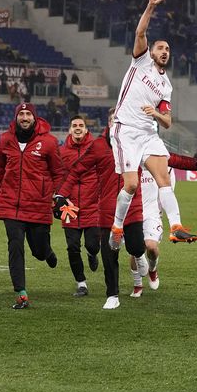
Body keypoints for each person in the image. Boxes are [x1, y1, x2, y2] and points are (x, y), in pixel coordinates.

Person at [108, 0, 196, 252]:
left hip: (148, 132)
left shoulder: (165, 86)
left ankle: (176, 227)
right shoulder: (141, 60)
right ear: (152, 51)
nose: (164, 51)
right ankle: (116, 226)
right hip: (125, 129)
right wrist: (149, 6)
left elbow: (167, 121)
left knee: (163, 180)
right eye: (161, 47)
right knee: (132, 185)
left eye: (168, 49)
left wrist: (156, 114)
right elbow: (140, 33)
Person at [56, 108, 145, 310]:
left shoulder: (137, 142)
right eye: (113, 120)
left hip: (131, 208)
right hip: (106, 209)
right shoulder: (98, 146)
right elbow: (76, 170)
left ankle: (140, 257)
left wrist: (193, 164)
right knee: (108, 253)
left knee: (136, 247)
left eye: (121, 120)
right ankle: (112, 295)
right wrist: (61, 194)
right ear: (109, 122)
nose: (117, 124)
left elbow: (162, 157)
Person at [0, 103, 63, 309]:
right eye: (21, 114)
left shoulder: (49, 142)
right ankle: (21, 292)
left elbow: (58, 173)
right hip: (10, 204)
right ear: (16, 117)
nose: (24, 118)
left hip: (38, 204)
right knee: (15, 244)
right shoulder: (6, 139)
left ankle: (46, 253)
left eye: (28, 114)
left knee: (37, 249)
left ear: (35, 118)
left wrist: (56, 193)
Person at [134, 151, 197, 296]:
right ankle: (137, 284)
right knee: (135, 248)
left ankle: (152, 270)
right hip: (133, 212)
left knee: (151, 247)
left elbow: (167, 188)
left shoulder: (159, 160)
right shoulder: (129, 156)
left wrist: (194, 164)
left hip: (152, 213)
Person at [57, 115, 101, 297]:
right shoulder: (61, 151)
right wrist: (57, 197)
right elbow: (58, 175)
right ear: (69, 130)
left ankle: (92, 254)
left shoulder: (95, 148)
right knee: (73, 247)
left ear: (86, 129)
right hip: (70, 206)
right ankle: (81, 283)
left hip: (92, 204)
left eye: (81, 125)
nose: (77, 128)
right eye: (74, 125)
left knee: (92, 245)